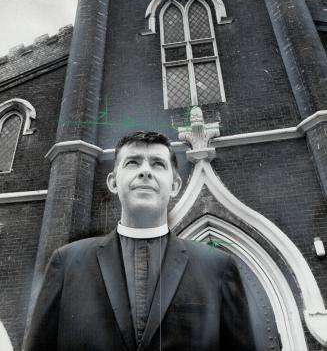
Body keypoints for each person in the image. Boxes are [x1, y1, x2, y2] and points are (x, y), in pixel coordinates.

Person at [24, 131, 257, 351]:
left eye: (158, 164)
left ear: (175, 185)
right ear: (113, 182)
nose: (145, 171)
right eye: (132, 162)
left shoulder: (218, 267)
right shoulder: (66, 262)